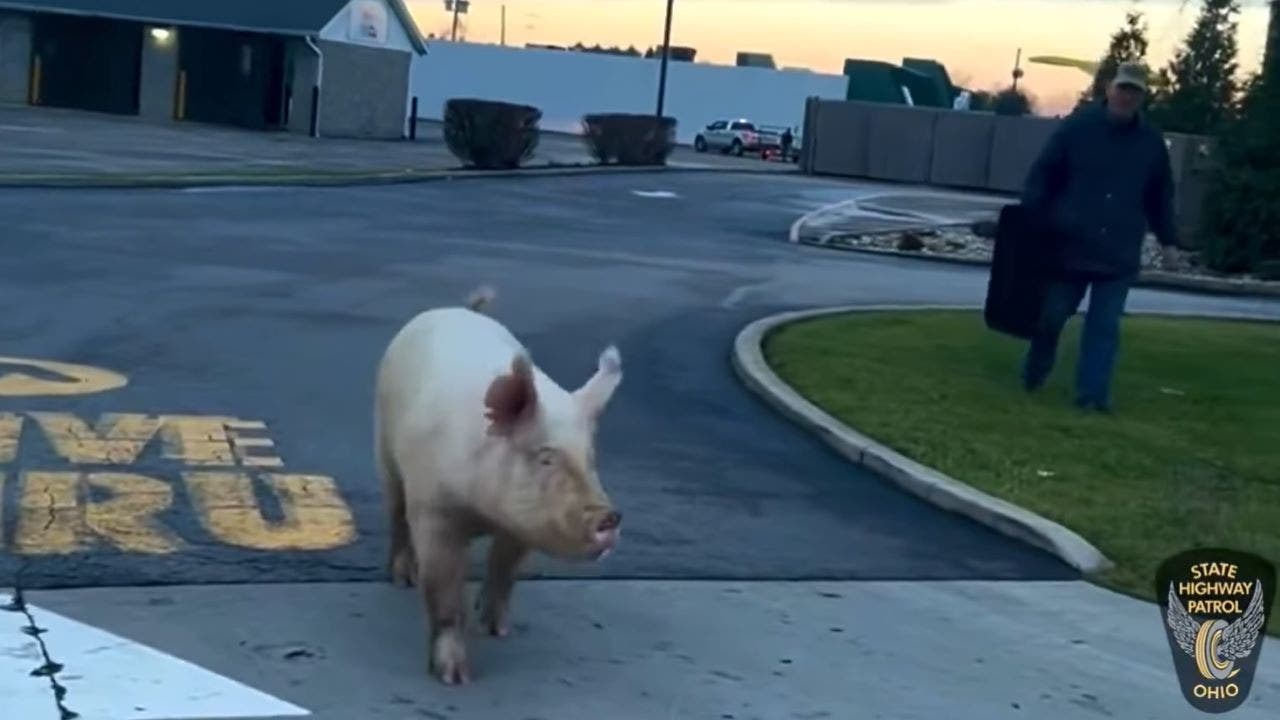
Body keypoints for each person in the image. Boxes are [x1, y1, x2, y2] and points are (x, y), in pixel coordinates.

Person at [1018, 61, 1180, 413]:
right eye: (1123, 88)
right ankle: (1034, 371)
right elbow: (1044, 174)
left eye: (1134, 91)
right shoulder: (1077, 129)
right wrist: (1032, 216)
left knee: (1104, 327)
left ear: (1142, 97)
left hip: (1118, 251)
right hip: (1070, 244)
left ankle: (1092, 398)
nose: (1127, 96)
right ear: (1109, 89)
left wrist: (1168, 241)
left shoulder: (1150, 143)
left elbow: (1159, 196)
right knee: (1052, 318)